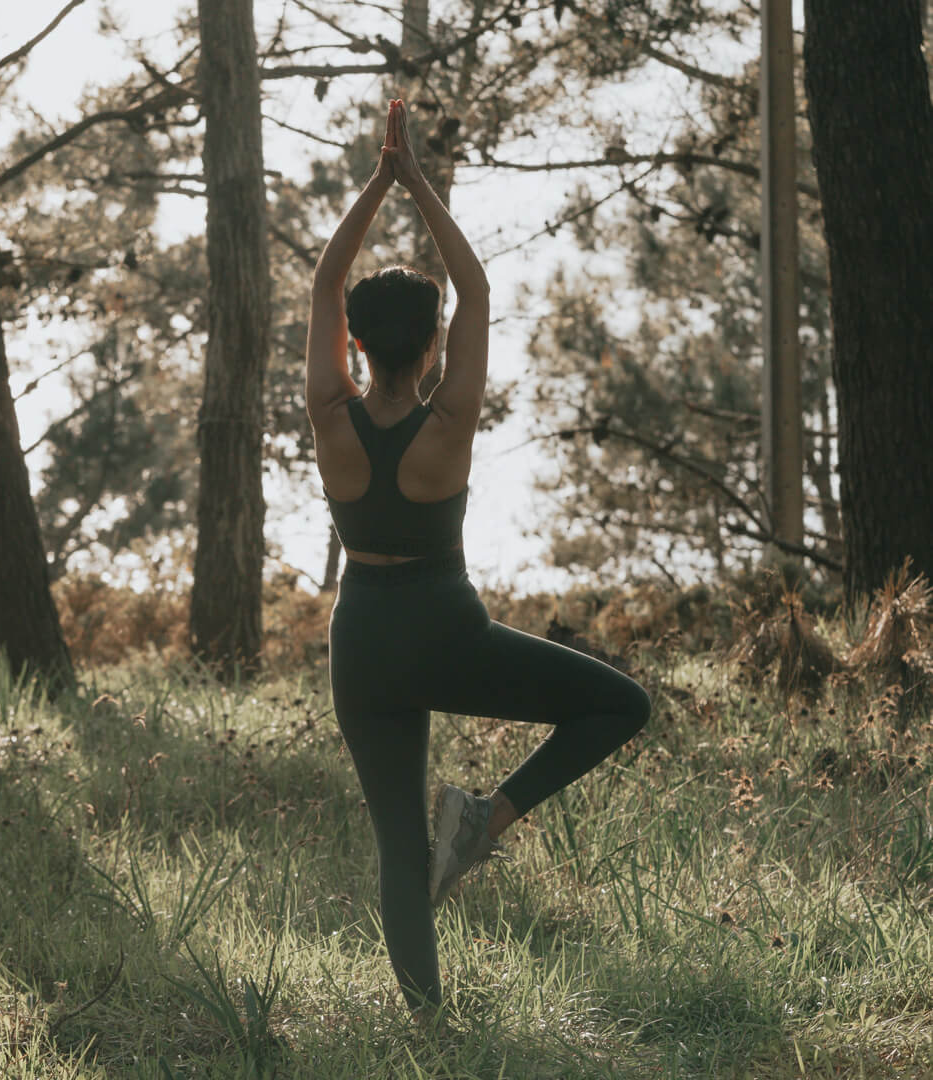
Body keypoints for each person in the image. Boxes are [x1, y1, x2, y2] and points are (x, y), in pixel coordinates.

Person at [305, 99, 651, 1020]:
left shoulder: (329, 416)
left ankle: (427, 1025)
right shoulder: (449, 422)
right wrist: (416, 181)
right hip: (443, 630)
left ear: (353, 343)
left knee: (398, 848)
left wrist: (376, 184)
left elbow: (325, 284)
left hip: (360, 642)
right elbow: (477, 292)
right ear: (433, 344)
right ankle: (487, 818)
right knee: (621, 704)